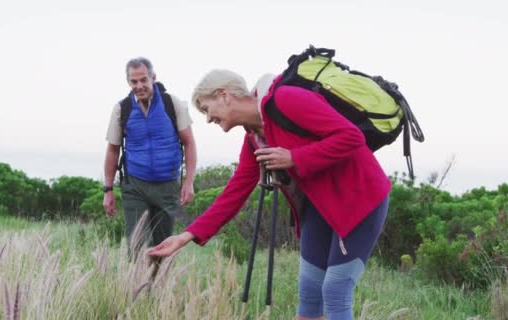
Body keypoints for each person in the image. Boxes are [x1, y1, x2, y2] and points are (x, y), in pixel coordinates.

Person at [147, 70, 391, 320]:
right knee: (309, 294)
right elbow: (234, 193)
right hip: (319, 208)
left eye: (207, 109)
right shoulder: (254, 139)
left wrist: (294, 158)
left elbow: (352, 136)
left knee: (335, 291)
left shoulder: (287, 100)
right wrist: (186, 236)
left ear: (224, 95)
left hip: (360, 201)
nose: (209, 118)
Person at [103, 57, 197, 255]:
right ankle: (137, 284)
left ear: (153, 77)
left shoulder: (173, 104)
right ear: (128, 82)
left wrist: (189, 182)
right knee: (136, 246)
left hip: (167, 185)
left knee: (163, 246)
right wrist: (108, 189)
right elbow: (113, 149)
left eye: (143, 80)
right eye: (134, 81)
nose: (139, 86)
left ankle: (160, 284)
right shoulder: (122, 108)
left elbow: (189, 142)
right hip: (135, 184)